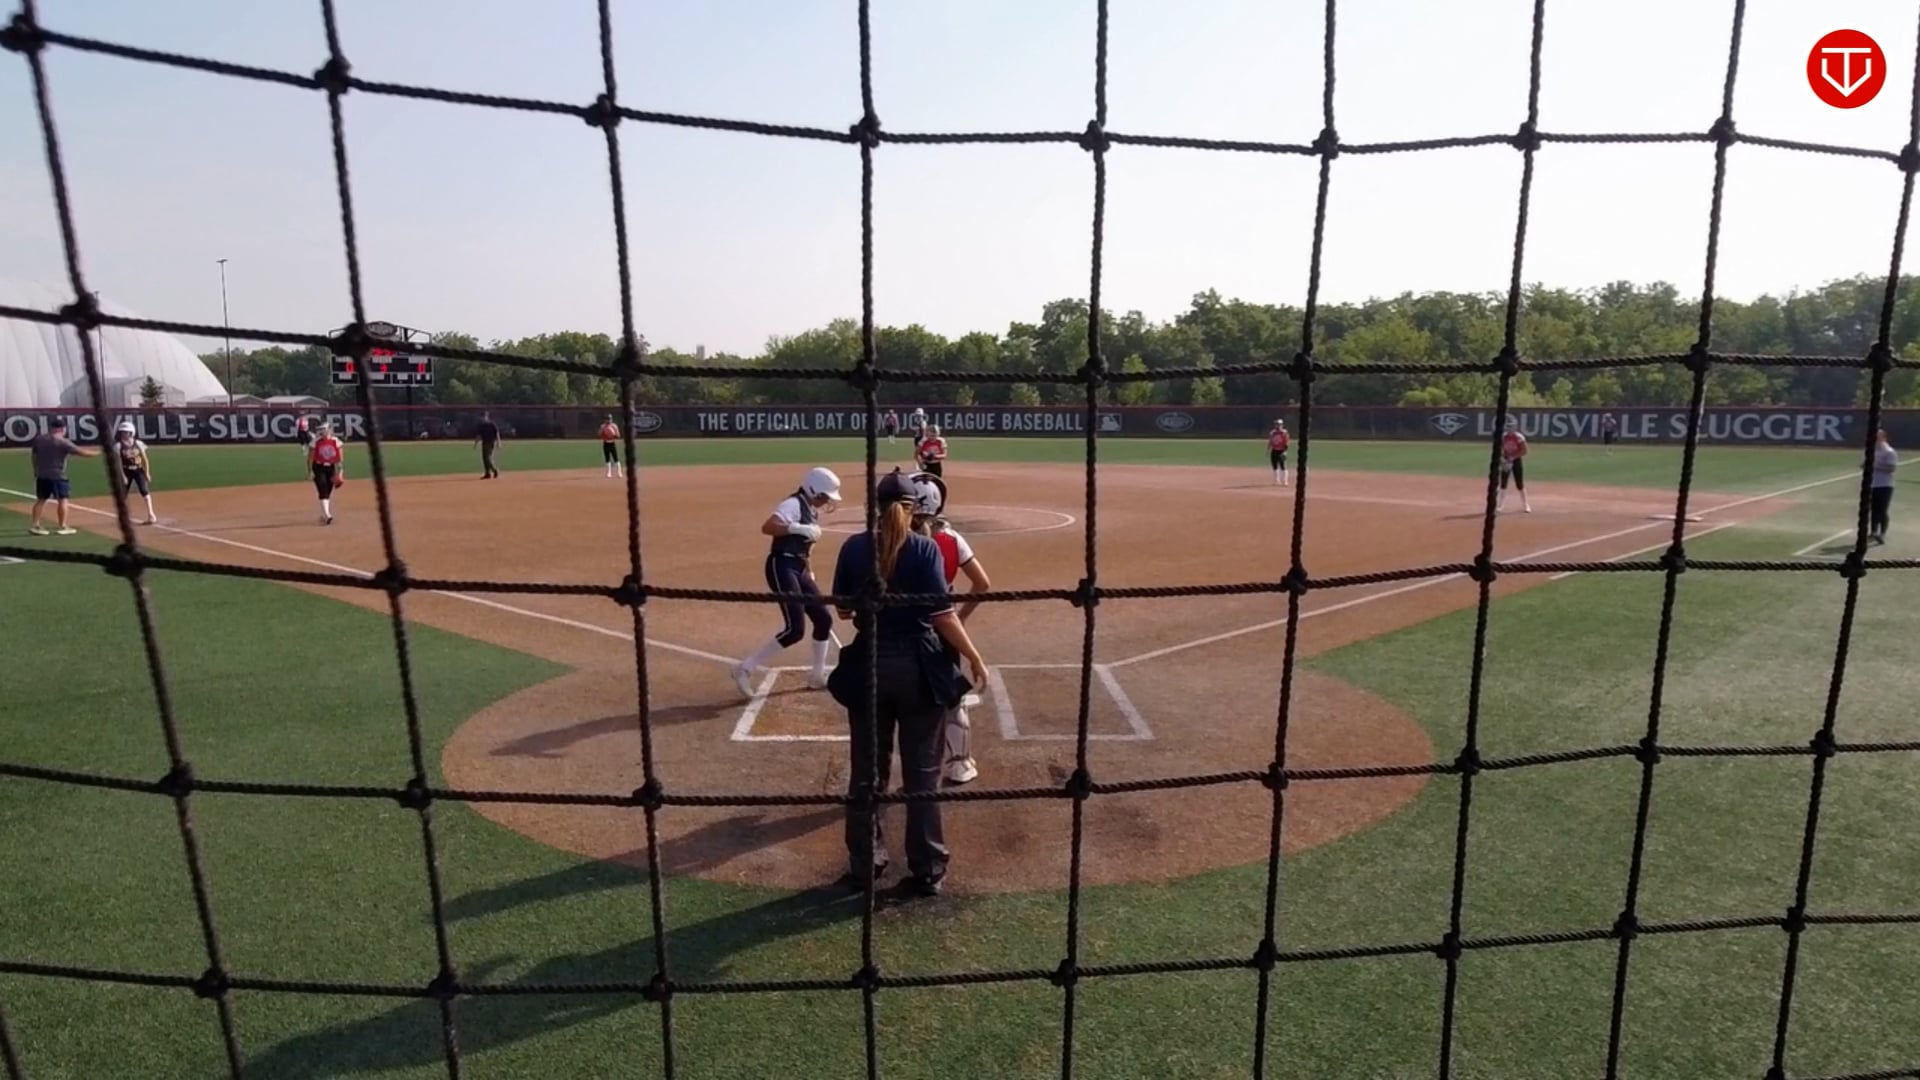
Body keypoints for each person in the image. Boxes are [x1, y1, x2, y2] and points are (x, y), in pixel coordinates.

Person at [827, 469, 988, 896]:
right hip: (920, 667)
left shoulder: (854, 547)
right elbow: (942, 615)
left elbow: (843, 610)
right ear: (914, 509)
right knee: (923, 775)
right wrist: (974, 656)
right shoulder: (925, 547)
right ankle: (928, 869)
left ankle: (866, 864)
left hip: (869, 665)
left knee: (867, 773)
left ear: (875, 507)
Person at [904, 469, 992, 786]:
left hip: (899, 630)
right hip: (943, 629)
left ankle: (911, 770)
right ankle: (961, 762)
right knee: (952, 698)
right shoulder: (951, 539)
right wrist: (960, 617)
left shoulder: (891, 538)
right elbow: (982, 583)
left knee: (902, 701)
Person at [732, 467, 845, 696]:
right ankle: (745, 668)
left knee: (823, 619)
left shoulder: (812, 511)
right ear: (812, 489)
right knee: (795, 629)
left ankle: (817, 676)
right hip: (781, 566)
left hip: (799, 568)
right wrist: (795, 527)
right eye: (824, 496)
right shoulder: (793, 504)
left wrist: (809, 571)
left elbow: (806, 547)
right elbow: (768, 527)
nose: (826, 501)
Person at [27, 417, 98, 536]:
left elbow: (34, 456)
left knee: (41, 499)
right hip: (58, 475)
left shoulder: (39, 440)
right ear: (62, 429)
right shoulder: (63, 442)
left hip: (42, 475)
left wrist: (36, 470)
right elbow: (82, 453)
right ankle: (63, 525)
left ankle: (35, 524)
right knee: (63, 499)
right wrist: (99, 453)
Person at [112, 420, 158, 525]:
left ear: (131, 432)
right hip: (126, 470)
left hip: (138, 469)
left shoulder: (138, 444)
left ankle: (151, 514)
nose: (124, 434)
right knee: (123, 494)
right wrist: (123, 475)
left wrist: (147, 472)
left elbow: (144, 459)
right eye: (122, 432)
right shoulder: (118, 446)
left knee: (144, 491)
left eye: (126, 432)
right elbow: (118, 462)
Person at [308, 422, 345, 525]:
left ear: (329, 430)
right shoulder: (315, 441)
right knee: (323, 488)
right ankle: (327, 515)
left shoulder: (336, 441)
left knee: (328, 491)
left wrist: (340, 473)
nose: (321, 431)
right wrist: (310, 471)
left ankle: (324, 514)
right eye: (321, 429)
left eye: (323, 429)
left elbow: (340, 459)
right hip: (318, 467)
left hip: (331, 468)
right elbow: (310, 458)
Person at [1497, 418, 1531, 514]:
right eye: (1508, 427)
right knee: (1503, 482)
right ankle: (1500, 505)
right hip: (1506, 460)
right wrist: (1502, 459)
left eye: (1511, 427)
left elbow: (1525, 451)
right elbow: (1499, 449)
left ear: (1515, 428)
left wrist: (1514, 457)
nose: (1510, 429)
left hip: (1516, 461)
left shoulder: (1519, 437)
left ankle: (1526, 505)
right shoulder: (1503, 437)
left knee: (1519, 483)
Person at [1870, 428, 1898, 544]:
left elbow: (1892, 468)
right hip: (1873, 484)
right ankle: (1873, 532)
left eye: (1877, 437)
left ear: (1884, 438)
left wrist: (1875, 467)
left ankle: (1882, 534)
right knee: (1873, 509)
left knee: (1882, 509)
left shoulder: (1889, 452)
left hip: (1885, 485)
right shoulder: (1872, 451)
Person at [476, 412, 502, 479]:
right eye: (482, 417)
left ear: (487, 417)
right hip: (484, 443)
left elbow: (497, 433)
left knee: (488, 458)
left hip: (490, 442)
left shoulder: (492, 424)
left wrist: (499, 442)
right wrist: (476, 443)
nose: (483, 418)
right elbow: (479, 436)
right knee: (484, 458)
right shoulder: (481, 426)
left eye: (484, 417)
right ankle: (487, 473)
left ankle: (494, 470)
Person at [1267, 419, 1291, 487]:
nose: (1278, 426)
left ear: (1282, 425)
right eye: (1276, 424)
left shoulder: (1284, 433)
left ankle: (1285, 481)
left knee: (1283, 466)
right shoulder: (1272, 433)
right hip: (1274, 450)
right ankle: (1276, 481)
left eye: (1279, 424)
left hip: (1281, 451)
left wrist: (1285, 451)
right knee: (1274, 466)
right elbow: (1270, 441)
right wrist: (1268, 450)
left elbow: (1287, 442)